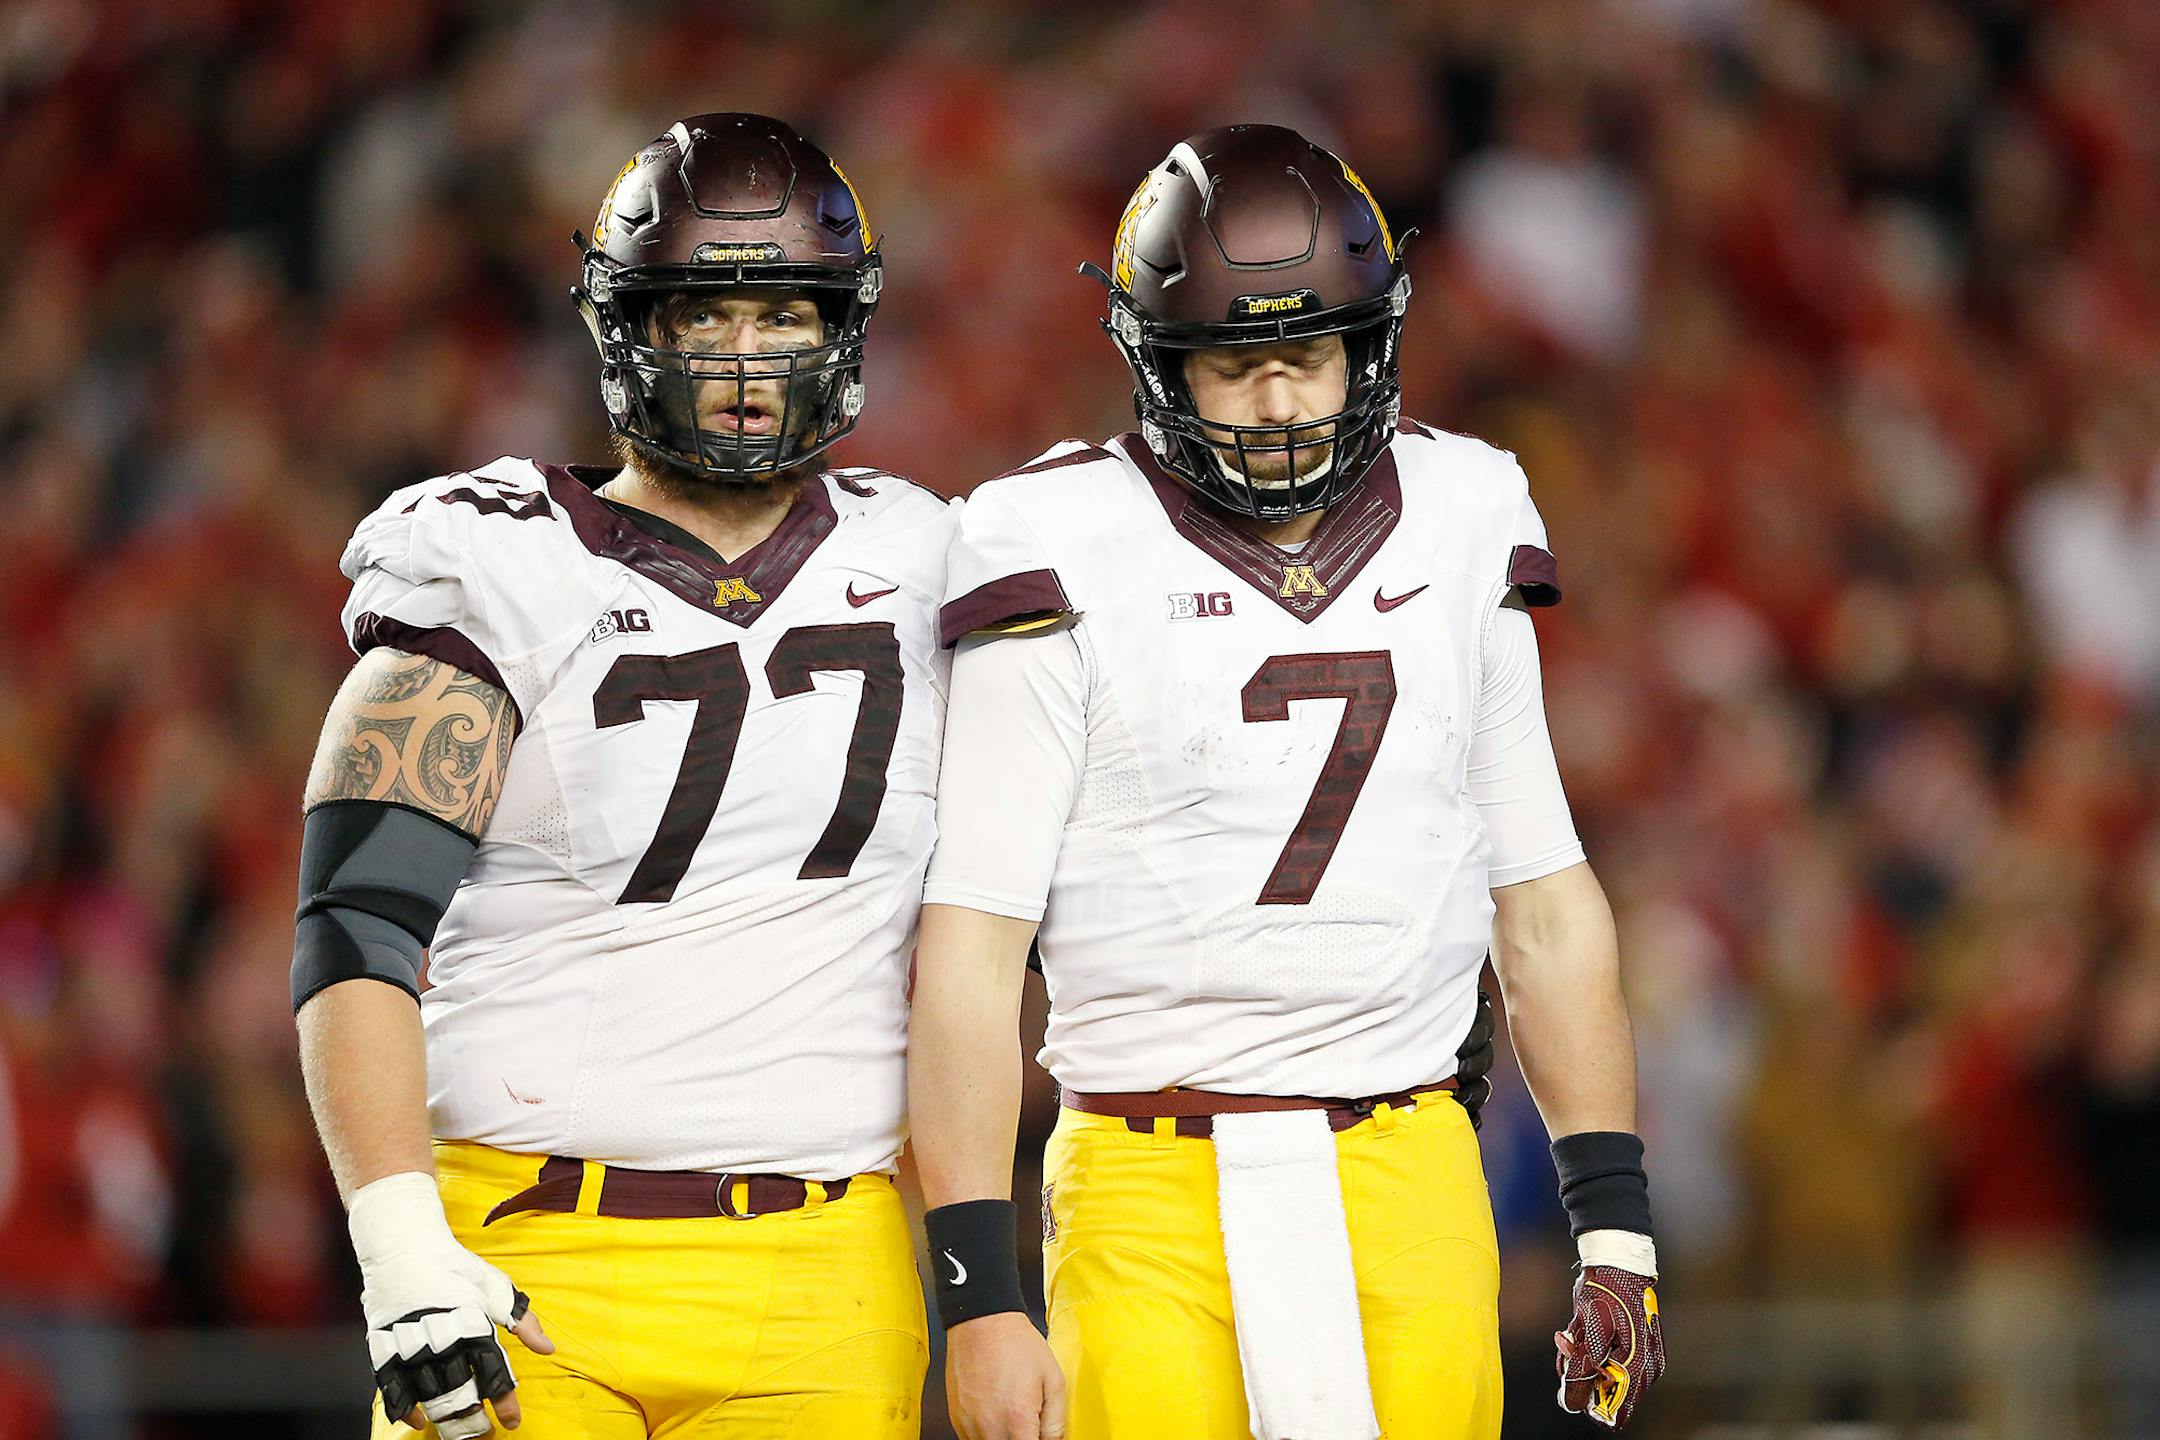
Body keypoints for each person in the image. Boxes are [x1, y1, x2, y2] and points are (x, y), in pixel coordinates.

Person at [907, 124, 1665, 1440]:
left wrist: (1618, 1230)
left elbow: (1542, 899)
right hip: (1144, 1177)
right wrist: (978, 1288)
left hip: (1410, 1160)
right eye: (1232, 363)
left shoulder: (1465, 507)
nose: (1276, 403)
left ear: (1368, 346)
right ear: (1157, 360)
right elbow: (975, 943)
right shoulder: (1051, 533)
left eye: (1306, 356)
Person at [293, 114, 951, 1440]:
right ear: (626, 328)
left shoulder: (934, 559)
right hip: (528, 1241)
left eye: (785, 314)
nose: (750, 361)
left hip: (822, 1265)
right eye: (707, 316)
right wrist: (400, 1241)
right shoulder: (494, 564)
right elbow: (357, 928)